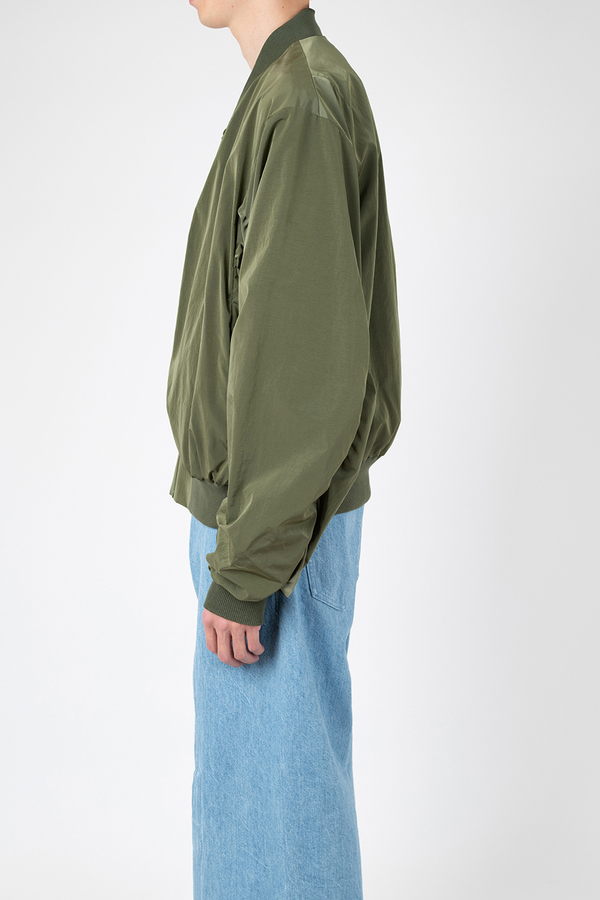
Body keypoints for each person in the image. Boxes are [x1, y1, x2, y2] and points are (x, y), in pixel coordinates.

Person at [165, 2, 401, 897]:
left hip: (273, 528)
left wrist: (248, 566)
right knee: (255, 811)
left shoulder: (302, 100)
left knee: (276, 824)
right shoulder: (286, 90)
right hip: (262, 517)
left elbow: (301, 363)